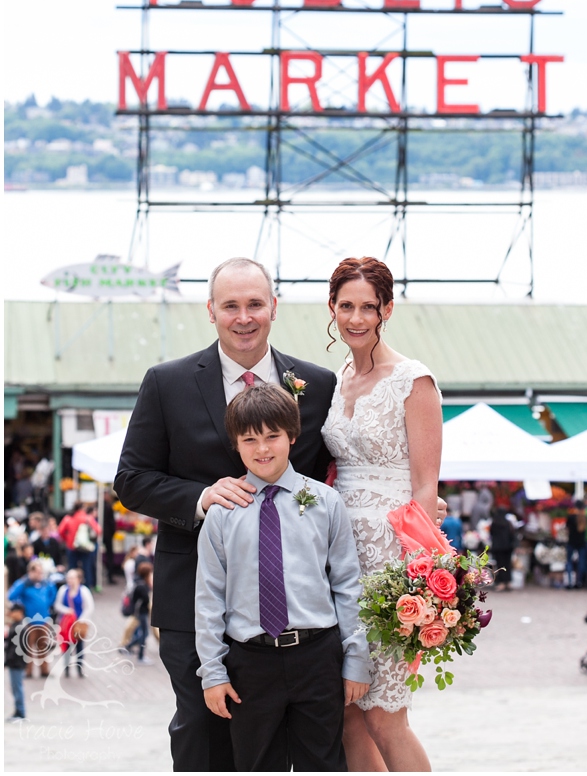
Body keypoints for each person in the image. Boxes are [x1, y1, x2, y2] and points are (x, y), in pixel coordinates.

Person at [114, 256, 447, 772]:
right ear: (211, 311)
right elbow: (131, 480)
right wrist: (204, 498)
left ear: (274, 307)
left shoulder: (317, 385)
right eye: (231, 306)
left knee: (328, 733)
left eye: (254, 304)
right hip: (194, 594)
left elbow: (338, 468)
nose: (243, 317)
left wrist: (416, 504)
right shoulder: (166, 382)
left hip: (302, 610)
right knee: (203, 731)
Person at [197, 384, 371, 771]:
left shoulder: (325, 502)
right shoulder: (223, 513)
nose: (262, 449)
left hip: (317, 656)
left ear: (292, 436)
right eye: (250, 439)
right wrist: (212, 672)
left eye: (273, 436)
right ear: (235, 446)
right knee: (257, 764)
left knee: (323, 763)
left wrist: (356, 658)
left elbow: (347, 584)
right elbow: (209, 597)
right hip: (250, 663)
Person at [321, 256, 442, 773]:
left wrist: (420, 581)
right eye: (346, 306)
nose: (355, 317)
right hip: (333, 557)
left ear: (386, 309)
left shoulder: (414, 381)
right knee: (348, 712)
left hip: (389, 561)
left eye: (367, 307)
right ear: (332, 307)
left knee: (386, 716)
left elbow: (424, 488)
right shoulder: (335, 379)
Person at [7, 559, 58, 678]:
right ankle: (28, 671)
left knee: (43, 647)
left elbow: (53, 594)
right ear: (31, 572)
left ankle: (44, 670)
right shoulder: (25, 584)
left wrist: (47, 605)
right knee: (28, 647)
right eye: (37, 572)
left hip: (44, 620)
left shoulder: (46, 583)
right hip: (29, 622)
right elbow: (11, 595)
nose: (40, 575)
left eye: (41, 572)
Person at [54, 568, 95, 677]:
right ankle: (66, 667)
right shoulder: (63, 590)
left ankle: (79, 667)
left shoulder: (84, 591)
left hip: (78, 624)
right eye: (68, 578)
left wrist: (80, 619)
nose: (70, 580)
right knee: (66, 645)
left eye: (72, 578)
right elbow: (57, 605)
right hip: (66, 624)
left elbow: (89, 607)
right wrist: (66, 610)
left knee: (79, 646)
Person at [57, 502, 101, 589]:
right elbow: (98, 530)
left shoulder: (68, 518)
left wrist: (68, 539)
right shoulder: (88, 518)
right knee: (87, 569)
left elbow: (60, 531)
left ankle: (71, 588)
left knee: (72, 568)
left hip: (71, 547)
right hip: (86, 548)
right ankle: (87, 588)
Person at [125, 561, 154, 664]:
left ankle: (129, 646)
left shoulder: (138, 582)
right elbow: (146, 599)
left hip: (139, 612)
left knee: (141, 632)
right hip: (141, 612)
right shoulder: (142, 586)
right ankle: (140, 655)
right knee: (144, 633)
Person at [5, 601, 28, 721]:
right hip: (15, 662)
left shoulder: (20, 627)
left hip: (17, 663)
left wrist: (7, 661)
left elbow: (15, 649)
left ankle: (20, 712)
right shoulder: (17, 625)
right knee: (15, 687)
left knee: (17, 687)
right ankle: (18, 711)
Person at [489, 508, 517, 592]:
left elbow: (491, 533)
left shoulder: (494, 523)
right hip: (508, 548)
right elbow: (512, 534)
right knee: (507, 565)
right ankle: (508, 582)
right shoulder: (508, 523)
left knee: (500, 566)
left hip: (498, 548)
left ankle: (501, 583)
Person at [565, 500, 587, 589]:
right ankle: (579, 582)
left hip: (571, 541)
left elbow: (567, 529)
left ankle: (569, 582)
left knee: (569, 562)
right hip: (582, 542)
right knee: (581, 562)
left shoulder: (571, 517)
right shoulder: (585, 517)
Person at [102, 491, 117, 584]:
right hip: (107, 534)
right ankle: (110, 576)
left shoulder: (101, 507)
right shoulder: (108, 507)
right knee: (109, 555)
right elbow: (112, 522)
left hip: (104, 533)